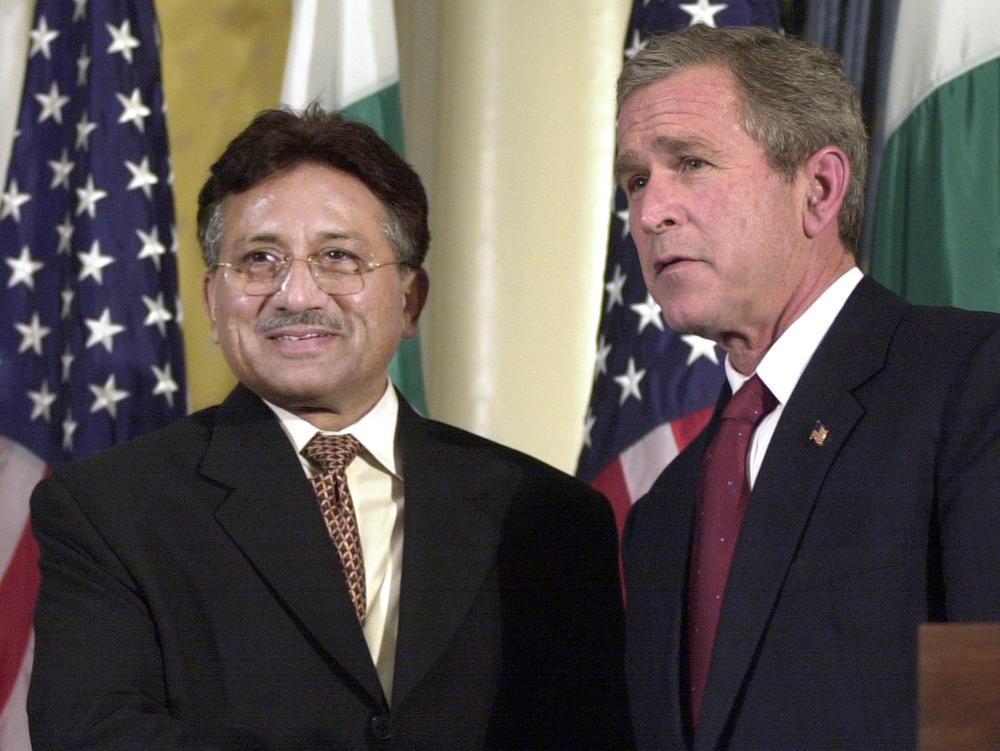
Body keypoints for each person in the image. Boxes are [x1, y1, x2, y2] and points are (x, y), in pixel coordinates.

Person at [28, 105, 633, 750]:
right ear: (211, 301)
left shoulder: (549, 517)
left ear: (409, 300)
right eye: (260, 258)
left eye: (338, 257)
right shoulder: (108, 508)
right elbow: (94, 738)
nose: (296, 295)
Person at [615, 25, 1000, 750]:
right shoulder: (662, 510)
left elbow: (986, 710)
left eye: (689, 163)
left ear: (818, 189)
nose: (647, 212)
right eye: (636, 180)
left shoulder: (971, 386)